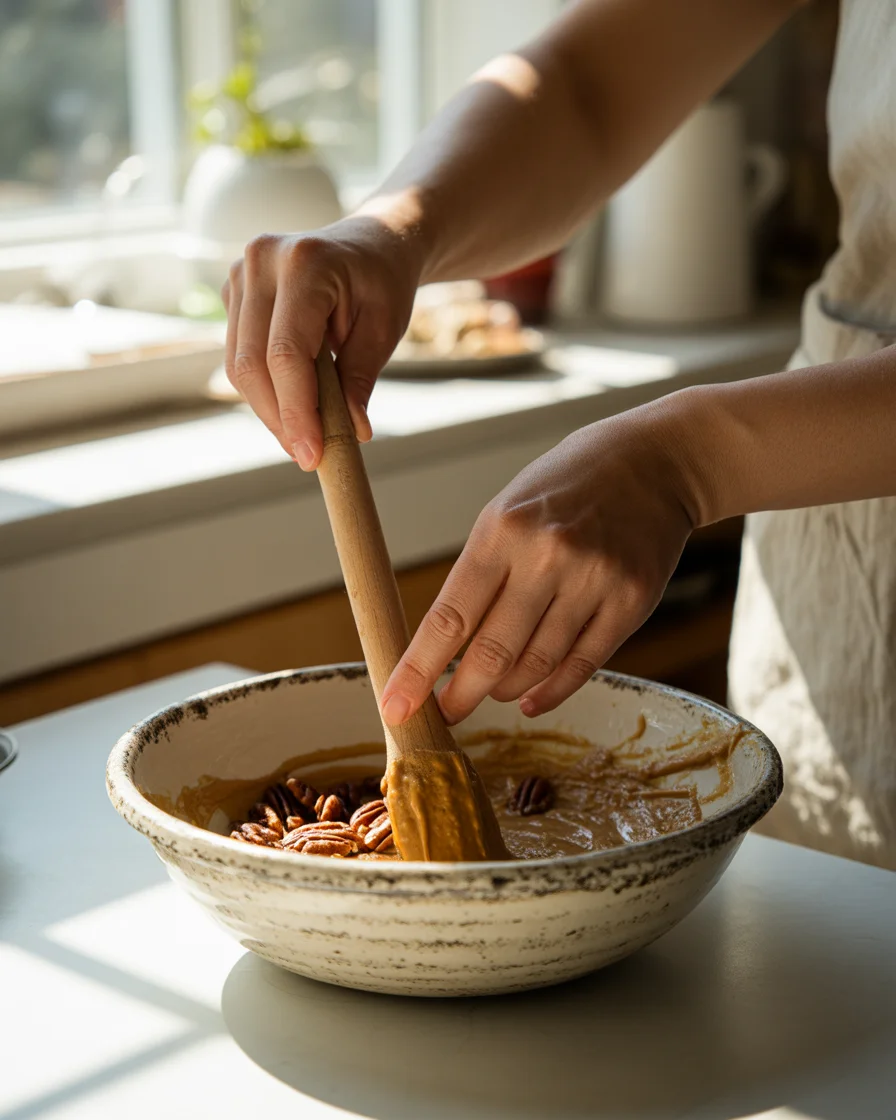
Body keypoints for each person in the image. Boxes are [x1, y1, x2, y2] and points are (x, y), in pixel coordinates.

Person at [222, 0, 896, 870]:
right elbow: (589, 88)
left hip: (792, 447)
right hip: (842, 557)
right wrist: (391, 229)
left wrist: (692, 456)